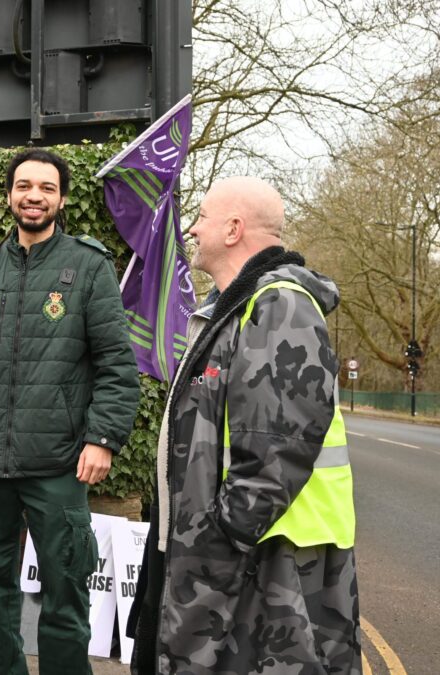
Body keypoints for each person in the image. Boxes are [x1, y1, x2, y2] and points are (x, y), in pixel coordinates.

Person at [128, 177, 361, 674]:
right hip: (235, 554)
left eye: (203, 217)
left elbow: (278, 447)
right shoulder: (234, 306)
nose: (191, 227)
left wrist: (221, 538)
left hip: (268, 560)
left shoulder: (278, 303)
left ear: (233, 229)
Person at [0, 148, 140, 674]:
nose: (34, 196)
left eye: (46, 188)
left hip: (58, 463)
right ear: (9, 195)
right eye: (24, 186)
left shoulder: (88, 265)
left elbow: (117, 362)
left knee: (66, 594)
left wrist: (103, 439)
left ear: (62, 198)